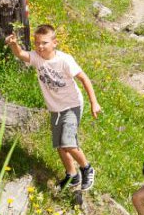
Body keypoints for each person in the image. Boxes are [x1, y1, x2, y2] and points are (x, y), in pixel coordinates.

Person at [6, 24, 102, 191]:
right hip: (55, 108)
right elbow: (20, 54)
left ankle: (87, 168)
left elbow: (84, 78)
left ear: (55, 43)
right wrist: (14, 44)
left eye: (44, 43)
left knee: (68, 142)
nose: (40, 46)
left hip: (72, 105)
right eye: (37, 43)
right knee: (59, 145)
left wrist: (94, 102)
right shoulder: (37, 57)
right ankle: (72, 175)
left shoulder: (65, 60)